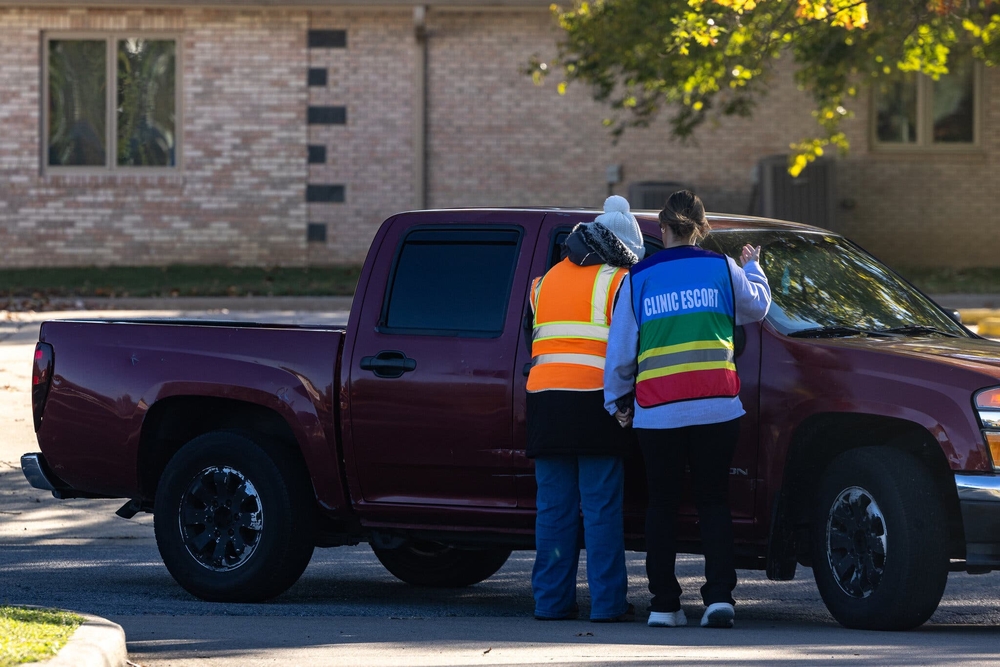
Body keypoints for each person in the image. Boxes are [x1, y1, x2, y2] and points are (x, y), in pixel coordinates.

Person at [603, 190, 771, 629]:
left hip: (658, 414)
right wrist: (754, 267)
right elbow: (757, 308)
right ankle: (719, 598)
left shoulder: (638, 278)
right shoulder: (722, 267)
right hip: (717, 408)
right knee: (713, 502)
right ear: (701, 226)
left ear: (661, 229)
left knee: (661, 505)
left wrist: (617, 401)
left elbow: (621, 354)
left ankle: (663, 605)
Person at [527, 195, 644, 623]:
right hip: (596, 403)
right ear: (621, 246)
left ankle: (551, 603)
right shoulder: (619, 281)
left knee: (554, 511)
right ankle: (609, 605)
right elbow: (626, 353)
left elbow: (535, 342)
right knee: (600, 509)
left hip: (544, 403)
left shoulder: (544, 281)